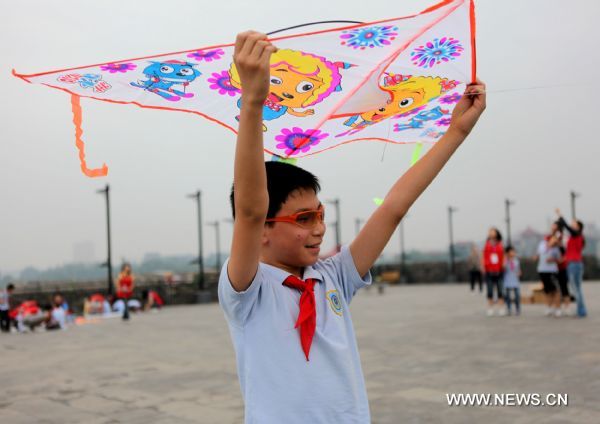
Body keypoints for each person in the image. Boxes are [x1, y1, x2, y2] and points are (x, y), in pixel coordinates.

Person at [218, 31, 486, 423]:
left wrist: (456, 132)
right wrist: (255, 99)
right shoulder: (247, 291)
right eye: (303, 219)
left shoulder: (333, 278)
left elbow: (394, 207)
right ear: (263, 230)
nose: (319, 229)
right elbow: (251, 210)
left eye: (321, 215)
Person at [556, 209, 587, 317]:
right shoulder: (575, 236)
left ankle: (581, 311)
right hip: (576, 263)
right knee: (578, 288)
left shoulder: (576, 234)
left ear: (578, 226)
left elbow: (567, 227)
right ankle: (582, 310)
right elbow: (567, 251)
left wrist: (560, 215)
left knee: (575, 288)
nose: (572, 225)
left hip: (574, 264)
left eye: (574, 223)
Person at [535, 235, 562, 317]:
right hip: (542, 270)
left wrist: (553, 260)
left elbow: (560, 260)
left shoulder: (556, 249)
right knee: (547, 290)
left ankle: (557, 308)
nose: (555, 240)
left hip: (552, 271)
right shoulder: (542, 244)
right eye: (554, 238)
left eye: (556, 239)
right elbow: (539, 254)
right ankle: (549, 307)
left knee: (555, 290)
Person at [482, 228, 505, 316]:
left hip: (499, 269)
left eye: (492, 231)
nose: (490, 233)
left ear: (496, 233)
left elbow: (503, 255)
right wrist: (483, 266)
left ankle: (501, 308)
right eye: (489, 232)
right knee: (490, 290)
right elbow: (483, 255)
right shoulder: (487, 244)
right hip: (489, 270)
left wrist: (503, 264)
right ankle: (490, 308)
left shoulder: (500, 243)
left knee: (500, 290)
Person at [503, 246, 522, 316]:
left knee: (517, 295)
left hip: (515, 280)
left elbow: (519, 270)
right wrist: (505, 258)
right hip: (507, 279)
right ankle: (509, 309)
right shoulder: (505, 260)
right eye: (511, 251)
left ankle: (517, 309)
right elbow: (503, 268)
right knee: (507, 296)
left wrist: (519, 273)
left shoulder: (516, 260)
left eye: (514, 251)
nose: (513, 253)